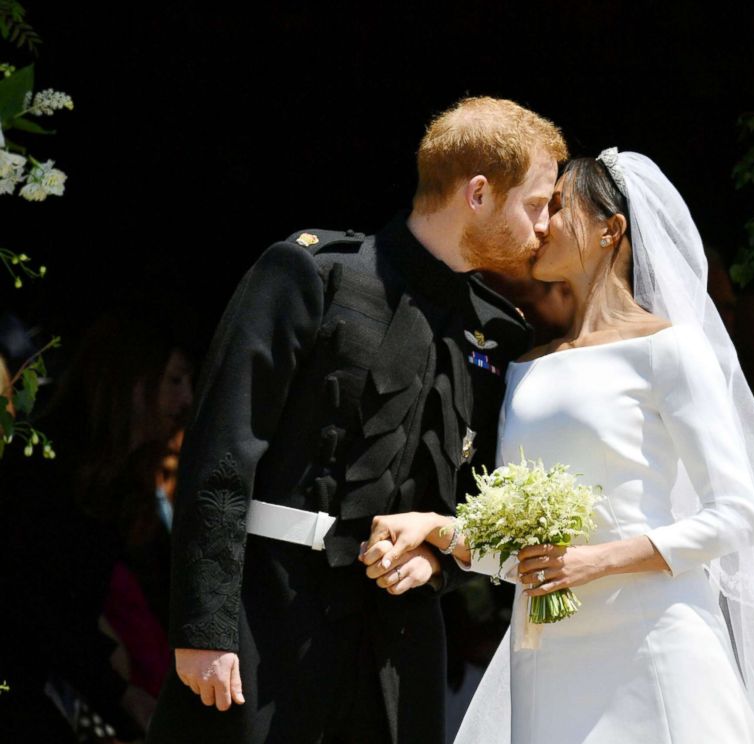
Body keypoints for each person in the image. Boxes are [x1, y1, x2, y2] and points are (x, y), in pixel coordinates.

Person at [362, 150, 754, 743]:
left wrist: (594, 561)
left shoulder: (669, 350)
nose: (539, 224)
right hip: (547, 654)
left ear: (609, 229)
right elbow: (530, 555)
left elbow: (734, 516)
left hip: (654, 641)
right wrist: (439, 529)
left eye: (557, 208)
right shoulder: (524, 367)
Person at [146, 97, 568, 744]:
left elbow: (482, 499)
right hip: (269, 617)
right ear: (478, 193)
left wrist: (440, 563)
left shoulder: (497, 333)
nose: (544, 227)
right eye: (536, 204)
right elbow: (222, 452)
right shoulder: (310, 274)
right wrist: (204, 630)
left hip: (401, 647)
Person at [0, 313, 192, 743]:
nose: (186, 401)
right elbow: (37, 611)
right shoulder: (47, 470)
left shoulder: (111, 481)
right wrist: (120, 691)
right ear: (133, 382)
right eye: (175, 380)